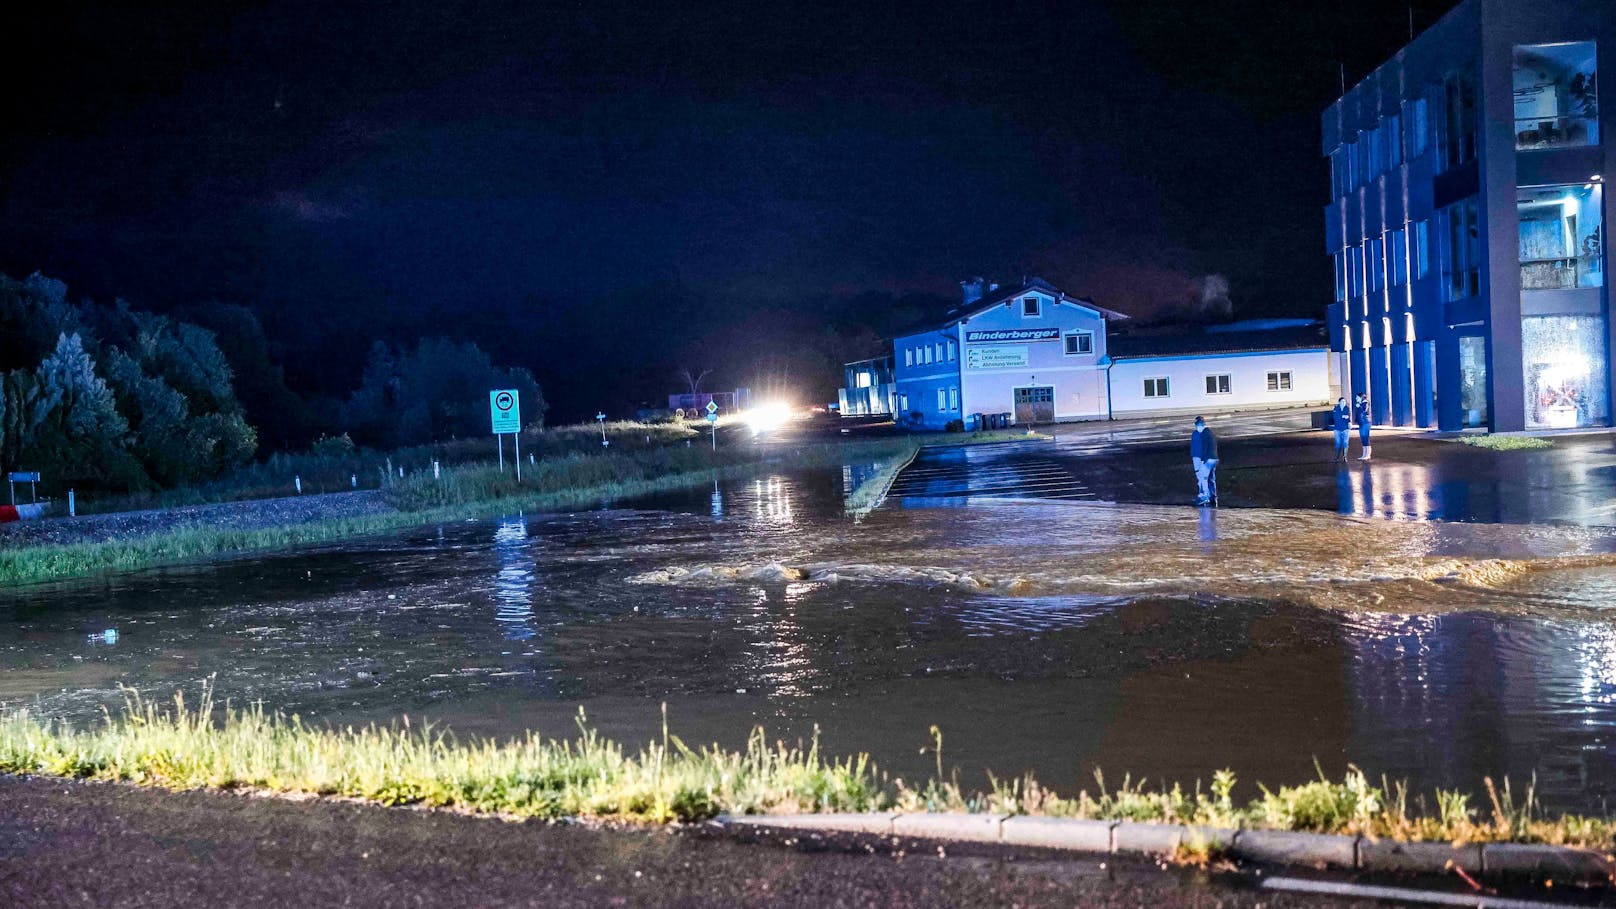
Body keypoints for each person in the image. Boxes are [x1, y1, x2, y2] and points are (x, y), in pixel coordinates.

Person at [1190, 415, 1219, 506]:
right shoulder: (1210, 433)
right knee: (1211, 478)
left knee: (1203, 478)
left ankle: (1205, 497)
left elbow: (1204, 448)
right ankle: (1213, 497)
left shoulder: (1204, 434)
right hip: (1213, 459)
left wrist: (1202, 460)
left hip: (1207, 459)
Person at [1331, 396, 1352, 461]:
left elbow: (1348, 417)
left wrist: (1349, 421)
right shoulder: (1336, 408)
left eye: (1344, 401)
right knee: (1338, 443)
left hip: (1345, 428)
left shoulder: (1347, 408)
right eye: (1342, 401)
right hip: (1337, 429)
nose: (1344, 402)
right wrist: (1343, 416)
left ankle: (1344, 457)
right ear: (1339, 402)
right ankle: (1337, 457)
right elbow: (1335, 417)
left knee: (1345, 443)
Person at [1353, 394, 1373, 461]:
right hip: (1361, 423)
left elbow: (1364, 411)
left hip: (1365, 423)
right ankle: (1364, 454)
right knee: (1363, 439)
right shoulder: (1360, 404)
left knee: (1365, 438)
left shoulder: (1365, 403)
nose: (1356, 399)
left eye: (1357, 397)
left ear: (1361, 397)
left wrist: (1359, 406)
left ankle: (1367, 455)